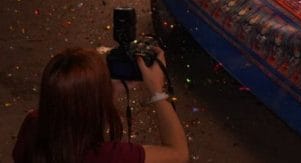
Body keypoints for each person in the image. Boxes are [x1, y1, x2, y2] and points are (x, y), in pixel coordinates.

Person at [12, 47, 188, 163]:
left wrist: (107, 90)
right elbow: (178, 154)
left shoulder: (33, 123)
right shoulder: (108, 156)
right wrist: (157, 91)